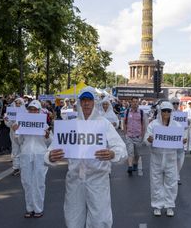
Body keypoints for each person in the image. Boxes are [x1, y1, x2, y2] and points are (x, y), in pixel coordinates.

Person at [46, 86, 127, 228]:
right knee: (72, 219)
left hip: (98, 179)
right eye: (83, 100)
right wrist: (51, 157)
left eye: (89, 100)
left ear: (95, 102)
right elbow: (50, 151)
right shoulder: (70, 125)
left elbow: (121, 149)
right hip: (75, 179)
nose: (86, 104)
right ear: (79, 103)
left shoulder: (104, 124)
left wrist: (112, 153)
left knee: (100, 220)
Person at [145, 101, 186, 217]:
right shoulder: (153, 125)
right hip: (156, 158)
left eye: (168, 111)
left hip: (170, 159)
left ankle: (169, 205)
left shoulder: (177, 126)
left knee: (171, 183)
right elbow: (146, 139)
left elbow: (182, 139)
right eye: (164, 111)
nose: (166, 113)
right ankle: (157, 205)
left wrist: (182, 141)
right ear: (160, 111)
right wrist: (149, 140)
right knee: (156, 182)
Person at [11, 100, 51, 218]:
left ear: (39, 111)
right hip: (26, 154)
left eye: (35, 109)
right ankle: (29, 208)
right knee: (27, 181)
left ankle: (38, 208)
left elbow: (49, 142)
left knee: (38, 182)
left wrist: (47, 136)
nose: (32, 111)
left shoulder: (44, 125)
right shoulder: (22, 123)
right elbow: (19, 141)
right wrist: (16, 132)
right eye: (31, 109)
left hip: (40, 154)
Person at [123, 97, 145, 176]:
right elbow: (124, 122)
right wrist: (125, 133)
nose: (135, 103)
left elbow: (143, 124)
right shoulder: (127, 111)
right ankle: (130, 166)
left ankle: (135, 163)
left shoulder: (141, 112)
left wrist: (142, 135)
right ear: (131, 103)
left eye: (136, 102)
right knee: (130, 152)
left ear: (138, 103)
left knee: (137, 153)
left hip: (138, 136)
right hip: (129, 136)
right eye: (133, 102)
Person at [5, 98, 26, 176]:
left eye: (19, 103)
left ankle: (25, 167)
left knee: (24, 150)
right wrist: (10, 123)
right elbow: (7, 123)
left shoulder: (26, 112)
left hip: (23, 134)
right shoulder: (9, 112)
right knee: (15, 150)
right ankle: (16, 167)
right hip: (13, 133)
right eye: (16, 103)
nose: (18, 104)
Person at [170, 97, 186, 184]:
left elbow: (184, 126)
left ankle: (177, 175)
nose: (176, 105)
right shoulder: (166, 113)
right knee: (171, 158)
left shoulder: (181, 113)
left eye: (177, 103)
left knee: (180, 158)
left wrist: (188, 123)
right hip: (170, 139)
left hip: (179, 139)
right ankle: (172, 176)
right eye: (174, 103)